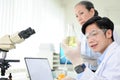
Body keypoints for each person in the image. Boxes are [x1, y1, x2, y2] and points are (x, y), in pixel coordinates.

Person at [61, 0, 120, 80]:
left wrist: (77, 61)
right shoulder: (82, 34)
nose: (79, 18)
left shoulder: (115, 56)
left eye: (81, 13)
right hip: (88, 71)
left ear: (92, 11)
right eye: (76, 16)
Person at [79, 16, 120, 80]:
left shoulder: (117, 55)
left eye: (94, 34)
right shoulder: (105, 57)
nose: (90, 40)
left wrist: (77, 62)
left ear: (108, 33)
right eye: (87, 37)